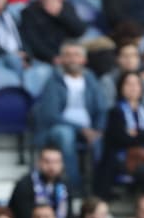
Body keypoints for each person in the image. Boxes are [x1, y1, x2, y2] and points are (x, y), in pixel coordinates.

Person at [31, 42, 106, 197]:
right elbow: (51, 115)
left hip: (88, 129)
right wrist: (82, 129)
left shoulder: (90, 79)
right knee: (65, 135)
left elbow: (101, 108)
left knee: (103, 138)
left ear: (84, 60)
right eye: (68, 55)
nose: (72, 59)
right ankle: (73, 187)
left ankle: (98, 189)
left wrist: (98, 129)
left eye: (76, 55)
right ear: (61, 59)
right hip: (56, 128)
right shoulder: (53, 80)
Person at [97, 72, 144, 196]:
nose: (133, 88)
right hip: (125, 159)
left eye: (136, 84)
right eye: (128, 84)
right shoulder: (116, 112)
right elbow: (121, 139)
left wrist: (137, 133)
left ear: (141, 88)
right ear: (121, 88)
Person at [19, 0, 84, 66]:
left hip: (71, 53)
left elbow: (79, 31)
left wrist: (60, 14)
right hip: (46, 59)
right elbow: (34, 43)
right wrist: (52, 57)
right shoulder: (29, 13)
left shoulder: (66, 7)